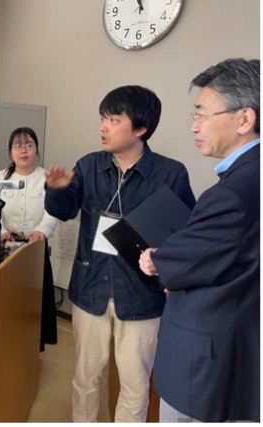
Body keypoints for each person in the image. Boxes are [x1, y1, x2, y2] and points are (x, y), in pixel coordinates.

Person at [44, 85, 196, 422]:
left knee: (136, 384)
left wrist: (165, 264)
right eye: (103, 119)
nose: (103, 127)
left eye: (114, 120)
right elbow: (65, 210)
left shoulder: (171, 174)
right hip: (91, 289)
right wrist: (55, 190)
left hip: (142, 296)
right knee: (85, 378)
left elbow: (185, 235)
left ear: (140, 128)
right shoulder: (89, 166)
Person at [139, 58, 260, 423]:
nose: (194, 126)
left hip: (206, 366)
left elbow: (181, 266)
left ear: (244, 119)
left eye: (202, 114)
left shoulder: (232, 193)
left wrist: (157, 260)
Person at [0, 127, 59, 352]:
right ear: (10, 151)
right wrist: (1, 231)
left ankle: (33, 348)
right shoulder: (1, 177)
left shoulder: (46, 177)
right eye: (18, 146)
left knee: (35, 299)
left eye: (29, 145)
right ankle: (7, 345)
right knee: (8, 298)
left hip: (35, 247)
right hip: (6, 247)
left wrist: (41, 231)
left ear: (36, 150)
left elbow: (53, 211)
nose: (24, 151)